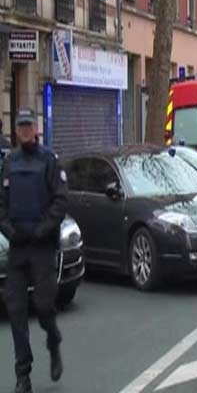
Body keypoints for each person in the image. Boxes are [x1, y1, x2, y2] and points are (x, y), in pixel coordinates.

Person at [0, 109, 68, 393]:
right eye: (21, 126)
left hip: (41, 249)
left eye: (29, 125)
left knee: (43, 307)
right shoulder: (9, 163)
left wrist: (41, 229)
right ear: (16, 131)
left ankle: (53, 341)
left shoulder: (49, 161)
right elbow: (1, 205)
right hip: (17, 249)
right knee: (16, 312)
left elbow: (61, 201)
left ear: (36, 128)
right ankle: (22, 375)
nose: (25, 130)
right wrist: (9, 231)